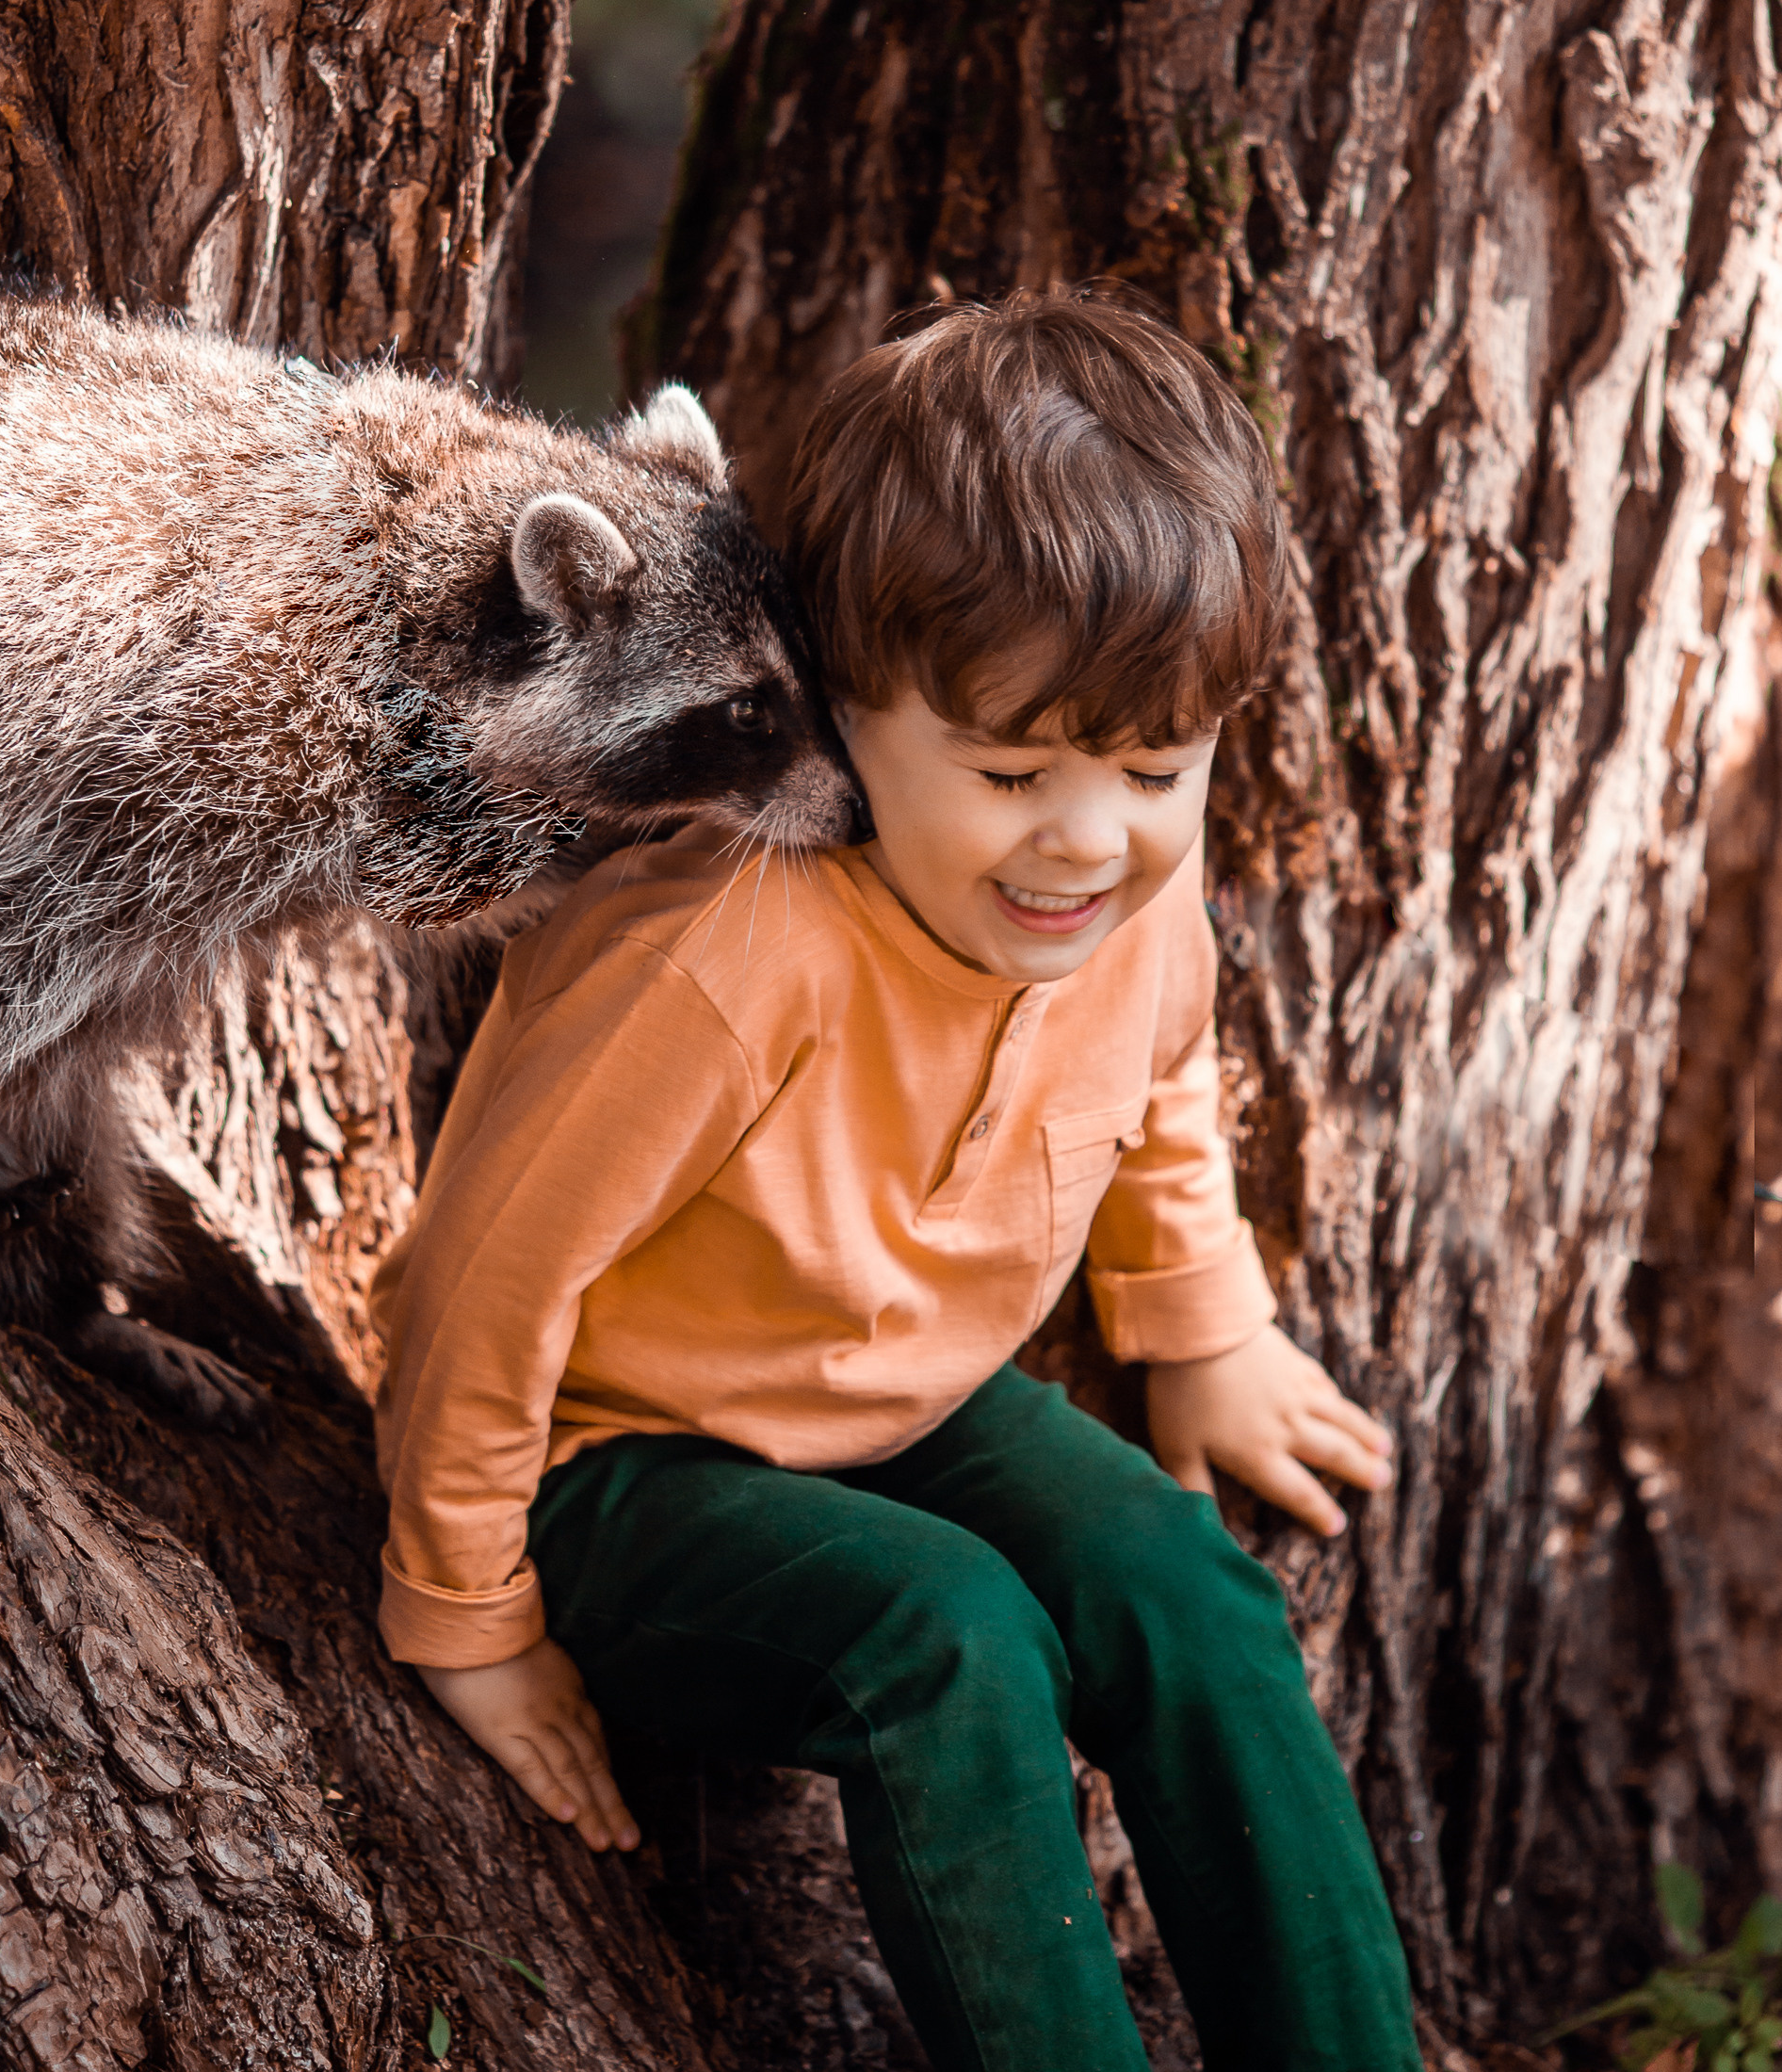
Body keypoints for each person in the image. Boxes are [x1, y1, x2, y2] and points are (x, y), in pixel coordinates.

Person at [371, 287, 1421, 2069]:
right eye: (1009, 769)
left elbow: (1160, 1080)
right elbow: (487, 1278)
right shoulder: (723, 963)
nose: (1086, 837)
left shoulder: (1124, 896)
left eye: (1154, 768)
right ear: (847, 716)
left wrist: (1203, 1326)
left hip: (907, 1398)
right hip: (619, 1458)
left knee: (1189, 1600)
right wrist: (465, 1611)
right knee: (950, 1646)